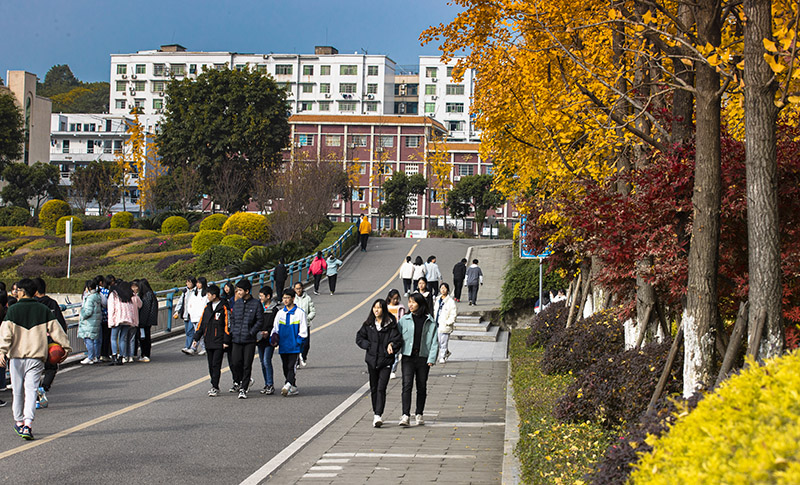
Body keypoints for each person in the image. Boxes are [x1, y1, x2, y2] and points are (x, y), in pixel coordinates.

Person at [0, 278, 72, 440]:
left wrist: (1, 352)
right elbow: (57, 330)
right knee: (31, 391)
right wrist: (66, 347)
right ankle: (28, 424)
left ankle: (19, 422)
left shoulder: (13, 310)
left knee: (17, 391)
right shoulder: (43, 309)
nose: (15, 293)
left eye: (17, 290)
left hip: (16, 357)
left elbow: (5, 334)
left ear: (23, 292)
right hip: (36, 357)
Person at [356, 299, 403, 428]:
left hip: (385, 360)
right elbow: (359, 337)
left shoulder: (391, 324)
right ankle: (375, 412)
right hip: (372, 361)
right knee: (374, 388)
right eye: (374, 307)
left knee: (381, 388)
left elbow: (398, 339)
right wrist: (368, 345)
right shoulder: (369, 324)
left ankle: (378, 415)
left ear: (384, 309)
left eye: (379, 307)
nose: (376, 310)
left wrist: (392, 344)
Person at [396, 293, 439, 426]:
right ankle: (405, 415)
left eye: (413, 302)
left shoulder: (429, 321)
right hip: (408, 357)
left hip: (423, 358)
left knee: (421, 386)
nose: (410, 305)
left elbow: (434, 342)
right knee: (407, 385)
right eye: (409, 302)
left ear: (420, 304)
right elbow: (397, 337)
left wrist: (431, 358)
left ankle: (419, 413)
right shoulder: (404, 320)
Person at [189, 284, 230, 397]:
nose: (207, 296)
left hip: (219, 341)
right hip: (208, 340)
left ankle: (215, 386)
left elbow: (227, 325)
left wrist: (226, 341)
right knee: (210, 365)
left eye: (209, 294)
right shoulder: (207, 308)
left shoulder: (223, 307)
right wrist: (196, 338)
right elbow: (201, 324)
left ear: (214, 295)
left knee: (216, 365)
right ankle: (214, 383)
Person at [227, 279, 263, 399]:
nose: (238, 292)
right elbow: (232, 318)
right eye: (237, 290)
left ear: (247, 291)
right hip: (236, 338)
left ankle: (244, 388)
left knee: (247, 364)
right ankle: (242, 380)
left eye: (240, 290)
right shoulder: (237, 303)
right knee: (235, 362)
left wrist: (251, 332)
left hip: (249, 340)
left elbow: (260, 321)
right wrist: (233, 331)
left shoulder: (256, 304)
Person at [33, 278, 67, 405]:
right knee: (51, 368)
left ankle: (35, 392)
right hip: (51, 342)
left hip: (35, 342)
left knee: (34, 369)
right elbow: (61, 324)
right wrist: (62, 343)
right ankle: (44, 387)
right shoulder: (52, 303)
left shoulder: (32, 304)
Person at [271, 289, 308, 396]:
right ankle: (293, 386)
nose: (285, 300)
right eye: (284, 298)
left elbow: (303, 330)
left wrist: (298, 342)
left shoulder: (300, 313)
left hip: (294, 346)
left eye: (287, 298)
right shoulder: (280, 313)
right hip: (283, 345)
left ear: (293, 298)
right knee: (285, 367)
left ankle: (287, 384)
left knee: (292, 366)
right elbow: (275, 329)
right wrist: (273, 339)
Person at [107, 280, 142, 365]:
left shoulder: (114, 295)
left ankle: (114, 356)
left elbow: (111, 309)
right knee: (122, 339)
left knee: (113, 338)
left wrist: (111, 322)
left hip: (117, 319)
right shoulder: (129, 296)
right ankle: (121, 357)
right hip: (128, 320)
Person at [257, 286, 278, 395]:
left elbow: (276, 325)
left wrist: (268, 332)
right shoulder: (259, 308)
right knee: (262, 362)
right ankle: (266, 383)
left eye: (262, 296)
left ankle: (270, 384)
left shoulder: (274, 310)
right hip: (259, 339)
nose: (260, 298)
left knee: (266, 360)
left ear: (268, 296)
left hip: (269, 339)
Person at [77, 279, 103, 365]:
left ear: (89, 288)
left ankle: (91, 357)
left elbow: (88, 311)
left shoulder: (90, 297)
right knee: (94, 340)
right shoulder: (97, 296)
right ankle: (96, 356)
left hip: (89, 322)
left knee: (88, 339)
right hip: (95, 321)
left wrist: (82, 313)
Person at [134, 278, 158, 362]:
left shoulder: (147, 295)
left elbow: (145, 310)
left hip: (145, 321)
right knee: (146, 337)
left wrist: (141, 322)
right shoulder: (150, 294)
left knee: (144, 338)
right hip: (149, 320)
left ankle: (145, 354)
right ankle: (145, 354)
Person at [293, 282, 316, 367]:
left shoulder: (307, 298)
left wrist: (307, 319)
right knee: (296, 343)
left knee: (306, 344)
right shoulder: (293, 299)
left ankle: (303, 356)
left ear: (302, 288)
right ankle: (297, 361)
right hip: (295, 324)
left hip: (305, 325)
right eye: (297, 289)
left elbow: (312, 311)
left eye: (299, 288)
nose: (298, 290)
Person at [433, 283, 457, 364]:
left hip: (445, 325)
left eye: (444, 288)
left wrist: (448, 322)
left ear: (447, 290)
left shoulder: (450, 302)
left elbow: (453, 313)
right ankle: (446, 352)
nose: (443, 290)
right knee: (437, 342)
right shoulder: (437, 299)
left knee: (443, 342)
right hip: (437, 324)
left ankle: (442, 356)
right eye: (441, 288)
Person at [386, 289, 406, 379]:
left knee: (396, 353)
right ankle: (387, 368)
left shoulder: (400, 308)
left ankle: (393, 370)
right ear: (389, 298)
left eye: (397, 298)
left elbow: (402, 320)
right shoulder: (386, 307)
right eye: (394, 298)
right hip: (387, 332)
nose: (395, 300)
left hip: (397, 332)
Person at [173, 277, 197, 354]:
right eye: (187, 282)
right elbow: (181, 301)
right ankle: (192, 346)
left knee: (190, 331)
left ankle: (188, 346)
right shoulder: (185, 291)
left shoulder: (196, 291)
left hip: (193, 314)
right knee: (187, 331)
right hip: (185, 314)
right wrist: (177, 311)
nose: (188, 284)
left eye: (190, 282)